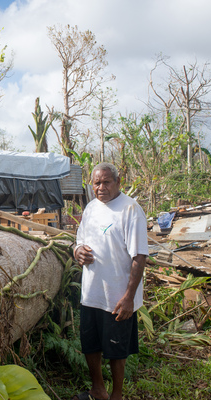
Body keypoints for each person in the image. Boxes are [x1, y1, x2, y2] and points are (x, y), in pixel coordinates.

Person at [72, 162, 149, 400]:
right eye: (96, 183)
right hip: (91, 293)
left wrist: (128, 298)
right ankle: (98, 390)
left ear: (118, 182)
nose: (101, 187)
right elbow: (79, 241)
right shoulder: (91, 208)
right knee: (90, 344)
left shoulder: (130, 209)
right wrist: (77, 251)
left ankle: (117, 394)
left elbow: (139, 256)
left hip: (117, 296)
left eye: (106, 182)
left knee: (116, 350)